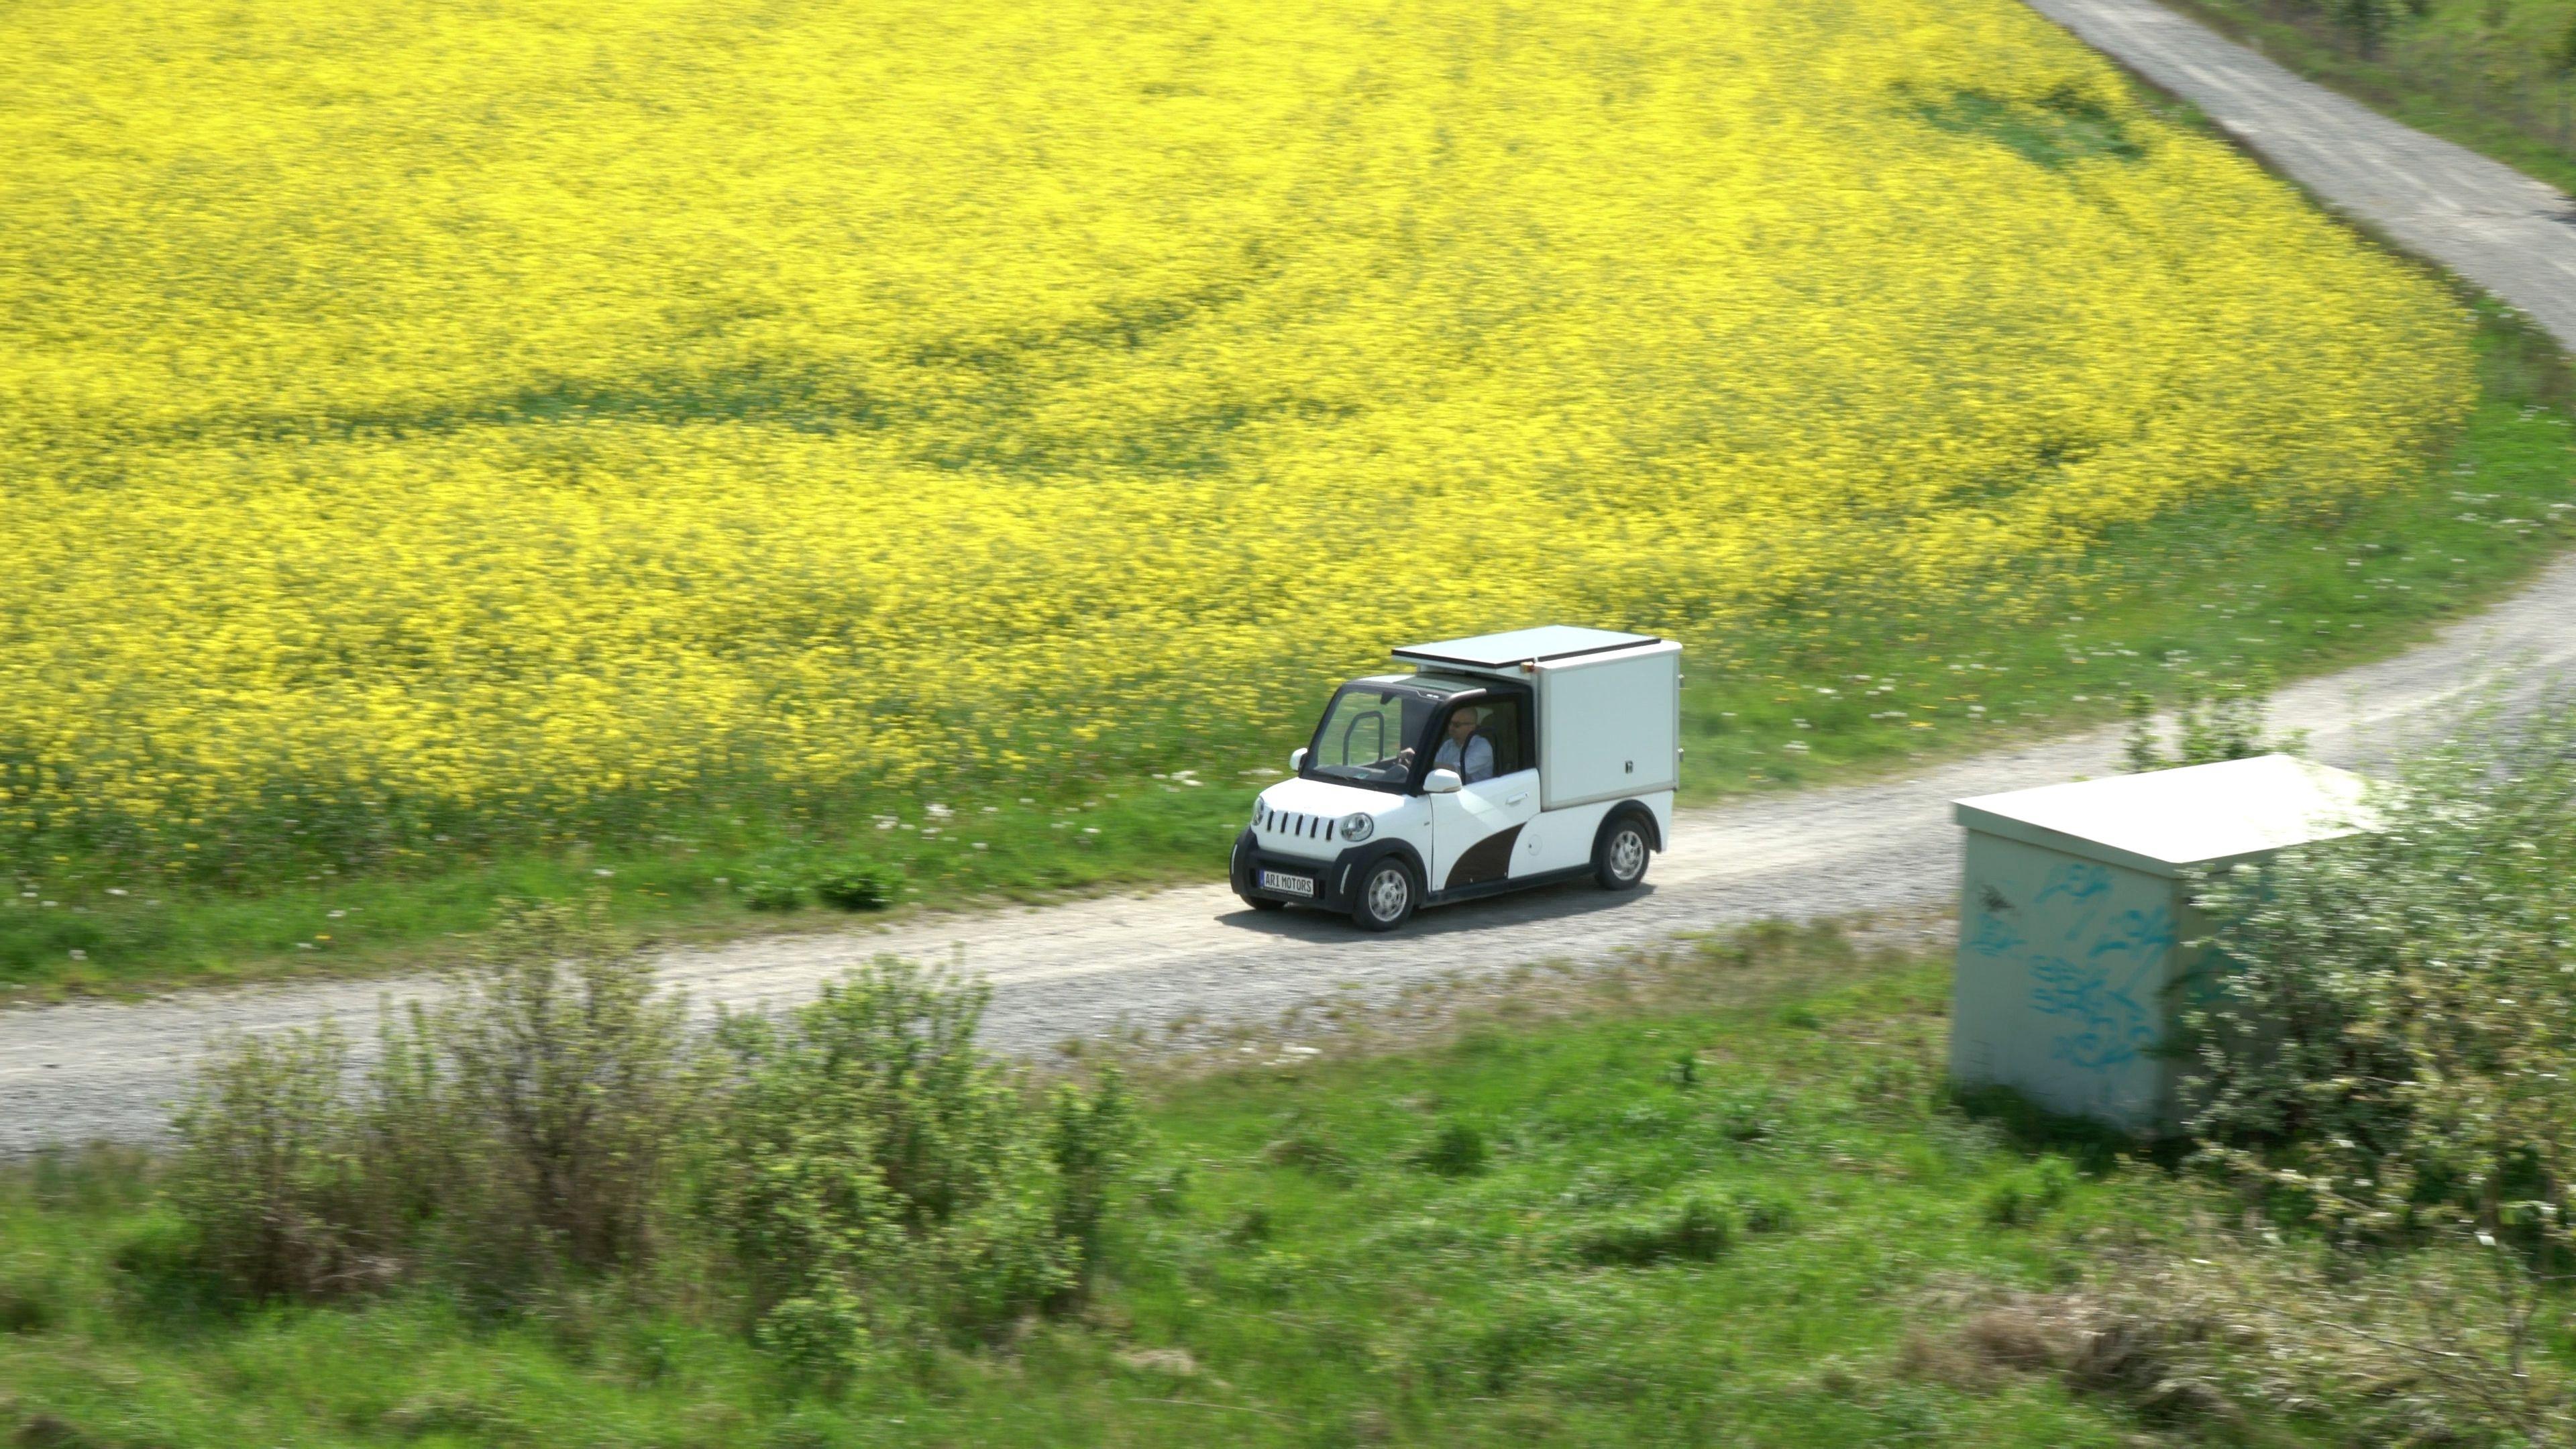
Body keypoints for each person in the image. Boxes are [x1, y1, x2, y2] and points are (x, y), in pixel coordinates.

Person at [1403, 706, 1494, 784]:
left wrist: (1420, 760)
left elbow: (1458, 770)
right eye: (1450, 723)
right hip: (1449, 789)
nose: (1451, 727)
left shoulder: (1483, 747)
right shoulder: (1449, 744)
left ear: (1472, 727)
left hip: (1476, 796)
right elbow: (1434, 765)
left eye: (1456, 725)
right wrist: (1413, 761)